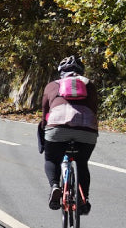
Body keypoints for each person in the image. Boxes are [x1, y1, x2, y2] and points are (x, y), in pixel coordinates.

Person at [39, 55, 99, 213]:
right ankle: (83, 199)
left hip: (57, 126)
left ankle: (55, 186)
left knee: (51, 159)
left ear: (61, 72)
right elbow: (94, 109)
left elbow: (45, 113)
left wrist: (44, 131)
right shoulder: (89, 84)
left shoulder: (52, 86)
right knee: (82, 163)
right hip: (86, 129)